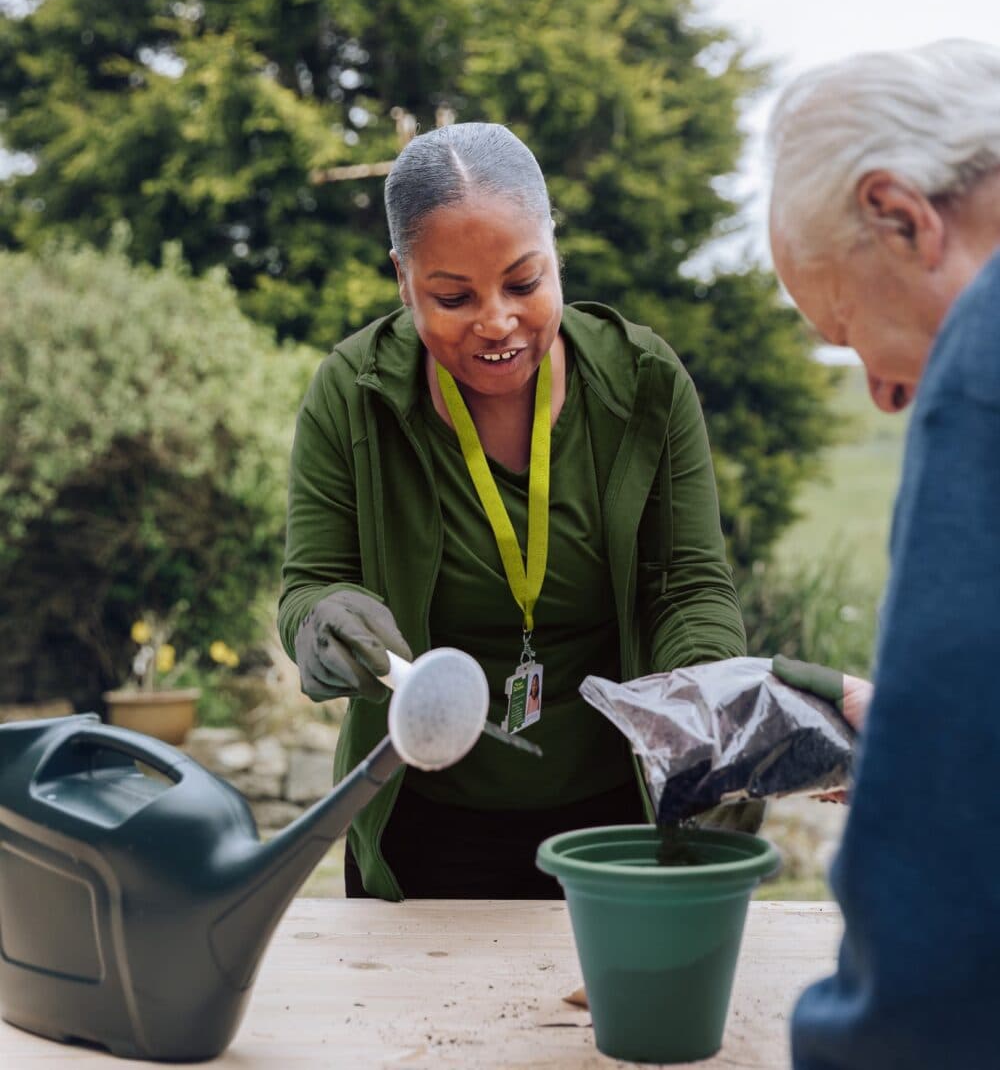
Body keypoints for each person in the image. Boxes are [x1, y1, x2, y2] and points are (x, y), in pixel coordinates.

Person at [279, 122, 749, 901]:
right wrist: (328, 621)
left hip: (617, 822)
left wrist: (704, 711)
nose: (496, 322)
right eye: (453, 297)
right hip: (421, 820)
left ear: (553, 250)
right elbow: (309, 588)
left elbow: (689, 587)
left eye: (524, 284)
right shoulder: (350, 395)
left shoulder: (644, 385)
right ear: (403, 278)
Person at [767, 39, 1000, 1069]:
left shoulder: (984, 353)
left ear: (902, 217)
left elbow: (940, 924)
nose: (881, 393)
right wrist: (912, 728)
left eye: (846, 330)